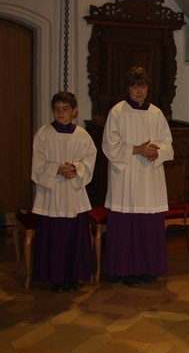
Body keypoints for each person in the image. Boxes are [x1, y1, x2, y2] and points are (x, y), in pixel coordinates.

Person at [102, 66, 174, 286]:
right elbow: (109, 145)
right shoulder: (117, 112)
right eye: (134, 86)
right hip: (125, 176)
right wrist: (136, 149)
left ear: (147, 87)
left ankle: (148, 268)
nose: (139, 90)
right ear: (128, 89)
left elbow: (167, 143)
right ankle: (125, 270)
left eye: (142, 85)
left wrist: (155, 151)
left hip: (148, 176)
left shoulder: (156, 113)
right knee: (126, 223)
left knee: (148, 224)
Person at [31, 91, 97, 293]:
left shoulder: (82, 135)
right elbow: (37, 164)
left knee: (74, 237)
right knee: (54, 238)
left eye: (65, 109)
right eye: (56, 109)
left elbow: (89, 159)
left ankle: (73, 277)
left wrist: (76, 168)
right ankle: (56, 278)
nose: (60, 113)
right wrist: (56, 169)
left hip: (73, 192)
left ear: (74, 111)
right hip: (51, 195)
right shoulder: (44, 133)